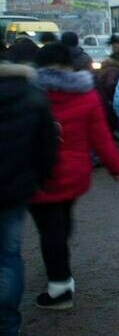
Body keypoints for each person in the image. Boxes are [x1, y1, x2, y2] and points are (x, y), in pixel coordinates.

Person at [30, 43, 119, 310]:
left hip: (39, 174)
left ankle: (60, 288)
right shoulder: (86, 95)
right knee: (61, 220)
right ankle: (60, 259)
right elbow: (101, 137)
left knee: (49, 231)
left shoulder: (31, 92)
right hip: (74, 174)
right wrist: (116, 167)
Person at [0, 61, 58, 332]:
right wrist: (37, 180)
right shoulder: (33, 96)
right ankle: (9, 324)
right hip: (14, 191)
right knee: (9, 258)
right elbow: (47, 148)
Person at [95, 34, 119, 135]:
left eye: (116, 45)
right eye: (114, 45)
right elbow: (110, 84)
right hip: (115, 97)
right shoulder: (118, 65)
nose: (114, 47)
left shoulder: (110, 62)